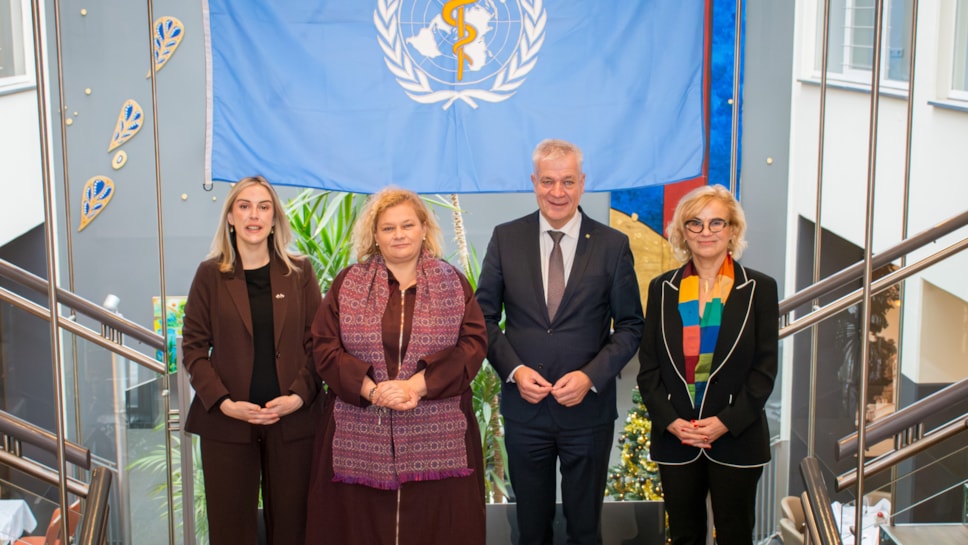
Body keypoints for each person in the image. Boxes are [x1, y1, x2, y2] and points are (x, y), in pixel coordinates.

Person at [475, 139, 644, 545]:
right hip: (524, 412)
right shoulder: (505, 238)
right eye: (548, 181)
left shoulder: (612, 245)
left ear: (582, 182)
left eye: (567, 181)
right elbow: (482, 317)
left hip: (588, 414)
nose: (557, 191)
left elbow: (630, 326)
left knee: (585, 529)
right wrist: (514, 370)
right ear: (534, 182)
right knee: (531, 529)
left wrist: (590, 376)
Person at [305, 187, 487, 545]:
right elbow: (324, 346)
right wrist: (372, 390)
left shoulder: (453, 283)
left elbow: (473, 345)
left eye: (407, 225)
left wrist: (414, 386)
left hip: (440, 436)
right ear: (374, 235)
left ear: (424, 228)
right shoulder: (348, 283)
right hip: (358, 432)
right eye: (388, 228)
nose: (399, 235)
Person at [181, 175, 323, 545]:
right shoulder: (209, 275)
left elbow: (319, 344)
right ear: (230, 217)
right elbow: (194, 347)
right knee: (230, 530)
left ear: (275, 218)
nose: (253, 215)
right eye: (244, 206)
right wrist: (225, 404)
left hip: (292, 421)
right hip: (227, 424)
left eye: (263, 207)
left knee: (294, 528)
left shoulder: (300, 272)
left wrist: (297, 396)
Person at [636, 184, 779, 545]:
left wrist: (724, 423)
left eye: (717, 223)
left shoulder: (760, 289)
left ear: (732, 230)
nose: (706, 232)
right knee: (684, 536)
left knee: (735, 534)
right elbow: (649, 368)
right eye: (695, 223)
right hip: (677, 439)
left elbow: (764, 371)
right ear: (682, 231)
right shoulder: (661, 288)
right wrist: (670, 422)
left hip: (736, 436)